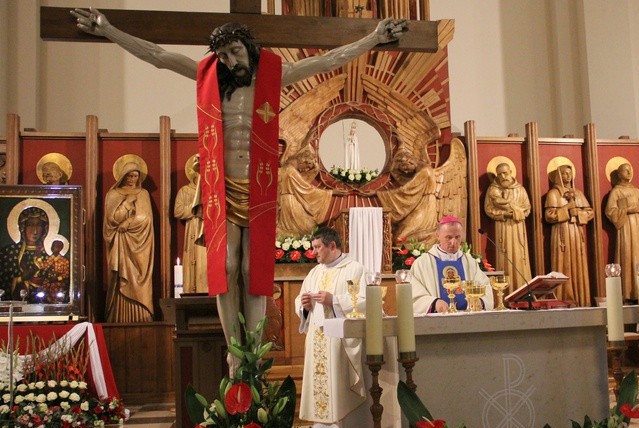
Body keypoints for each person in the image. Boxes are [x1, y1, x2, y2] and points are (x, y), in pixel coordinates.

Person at [72, 8, 406, 371]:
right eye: (224, 55)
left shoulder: (274, 76)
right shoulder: (210, 78)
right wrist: (109, 30)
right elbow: (158, 56)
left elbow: (329, 59)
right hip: (221, 184)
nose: (231, 61)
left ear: (248, 46)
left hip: (259, 185)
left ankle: (255, 345)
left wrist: (374, 38)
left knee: (252, 268)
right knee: (227, 264)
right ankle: (235, 349)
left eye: (235, 51)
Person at [295, 227, 367, 428]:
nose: (314, 252)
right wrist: (304, 306)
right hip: (317, 340)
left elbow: (363, 300)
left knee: (338, 387)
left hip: (338, 343)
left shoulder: (354, 269)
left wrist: (334, 300)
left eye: (317, 247)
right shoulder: (315, 272)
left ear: (332, 246)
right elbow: (301, 299)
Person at [103, 157, 154, 322]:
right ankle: (116, 316)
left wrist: (127, 222)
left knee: (139, 279)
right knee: (119, 278)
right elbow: (111, 219)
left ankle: (143, 315)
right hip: (119, 243)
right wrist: (126, 205)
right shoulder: (112, 194)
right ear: (122, 176)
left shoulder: (143, 193)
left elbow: (146, 218)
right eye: (129, 176)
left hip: (140, 243)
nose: (133, 179)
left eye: (135, 176)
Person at [409, 215, 494, 314]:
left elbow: (485, 286)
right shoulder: (422, 263)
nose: (453, 242)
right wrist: (434, 303)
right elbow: (413, 292)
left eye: (457, 237)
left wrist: (479, 301)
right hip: (437, 321)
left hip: (469, 318)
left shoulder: (469, 262)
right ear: (438, 235)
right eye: (448, 237)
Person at [544, 163, 594, 306]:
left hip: (576, 232)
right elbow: (549, 215)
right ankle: (563, 297)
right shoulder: (553, 194)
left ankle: (580, 297)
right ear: (558, 176)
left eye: (569, 173)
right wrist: (566, 210)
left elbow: (590, 212)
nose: (567, 176)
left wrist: (578, 213)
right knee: (563, 264)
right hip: (561, 233)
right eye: (564, 173)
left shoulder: (578, 193)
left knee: (578, 264)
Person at [605, 162, 639, 301]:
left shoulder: (636, 190)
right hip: (625, 225)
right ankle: (628, 291)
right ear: (619, 174)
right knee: (627, 254)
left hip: (637, 224)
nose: (629, 173)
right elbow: (609, 210)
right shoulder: (616, 191)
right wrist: (626, 210)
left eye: (630, 170)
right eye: (625, 170)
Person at [484, 162, 532, 292]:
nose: (503, 176)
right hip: (503, 227)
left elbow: (527, 208)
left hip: (518, 227)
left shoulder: (520, 189)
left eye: (505, 173)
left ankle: (523, 290)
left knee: (520, 257)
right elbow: (489, 209)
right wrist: (504, 214)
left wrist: (517, 212)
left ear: (511, 172)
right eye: (500, 174)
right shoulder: (493, 190)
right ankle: (505, 293)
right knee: (505, 257)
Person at [377, 148, 438, 246]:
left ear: (410, 162)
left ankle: (433, 236)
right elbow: (401, 178)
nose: (405, 172)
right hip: (419, 204)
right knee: (400, 238)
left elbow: (407, 189)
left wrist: (379, 194)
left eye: (405, 168)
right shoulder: (420, 168)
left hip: (424, 207)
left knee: (401, 238)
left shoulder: (424, 171)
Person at [277, 145, 334, 237]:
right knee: (306, 228)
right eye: (308, 165)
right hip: (290, 204)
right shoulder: (291, 171)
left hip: (287, 201)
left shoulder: (288, 169)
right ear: (303, 160)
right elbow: (306, 189)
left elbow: (302, 184)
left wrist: (314, 171)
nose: (306, 169)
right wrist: (330, 193)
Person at [173, 154, 208, 294]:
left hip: (206, 227)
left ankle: (206, 288)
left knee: (204, 259)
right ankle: (191, 290)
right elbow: (178, 211)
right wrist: (195, 209)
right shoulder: (184, 191)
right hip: (192, 226)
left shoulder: (210, 192)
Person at [0, 206, 50, 301]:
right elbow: (3, 280)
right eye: (30, 225)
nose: (35, 231)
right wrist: (20, 279)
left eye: (39, 225)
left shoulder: (46, 256)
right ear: (23, 227)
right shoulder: (9, 252)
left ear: (44, 229)